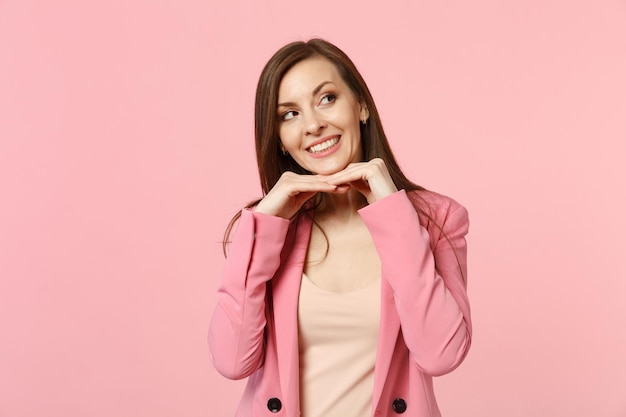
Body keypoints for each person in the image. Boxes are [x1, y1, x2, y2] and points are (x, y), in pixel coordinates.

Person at [208, 38, 471, 417]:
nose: (313, 124)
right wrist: (264, 225)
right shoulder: (269, 228)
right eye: (289, 114)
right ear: (280, 140)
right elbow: (231, 361)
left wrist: (393, 215)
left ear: (361, 105)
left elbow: (441, 355)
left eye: (326, 98)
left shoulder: (438, 218)